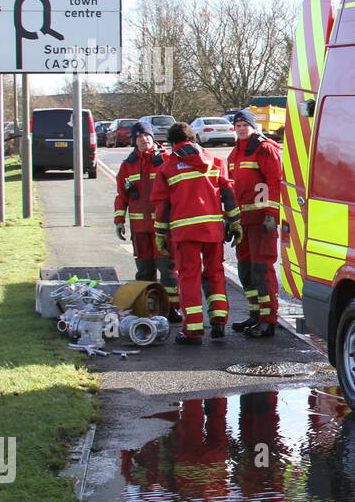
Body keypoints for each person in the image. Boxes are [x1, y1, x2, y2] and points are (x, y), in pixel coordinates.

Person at [151, 122, 241, 345]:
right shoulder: (215, 161)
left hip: (185, 232)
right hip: (213, 230)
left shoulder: (167, 167)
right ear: (193, 139)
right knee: (215, 273)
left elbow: (162, 206)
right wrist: (235, 222)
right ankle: (219, 320)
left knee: (189, 277)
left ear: (172, 143)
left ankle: (193, 329)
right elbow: (228, 194)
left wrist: (160, 234)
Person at [113, 122, 181, 320]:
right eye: (139, 137)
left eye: (147, 135)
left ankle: (171, 308)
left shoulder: (167, 160)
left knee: (168, 270)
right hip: (140, 229)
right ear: (134, 141)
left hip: (163, 228)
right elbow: (121, 195)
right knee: (144, 271)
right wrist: (119, 219)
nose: (144, 139)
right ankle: (148, 307)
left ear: (153, 137)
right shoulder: (128, 165)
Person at [228, 109, 283, 338]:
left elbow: (275, 182)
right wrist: (229, 218)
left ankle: (268, 320)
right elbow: (230, 189)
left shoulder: (264, 149)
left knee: (262, 270)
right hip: (243, 223)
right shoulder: (234, 154)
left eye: (244, 125)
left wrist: (271, 214)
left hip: (261, 222)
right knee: (246, 271)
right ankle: (255, 315)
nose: (241, 129)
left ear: (253, 126)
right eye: (238, 125)